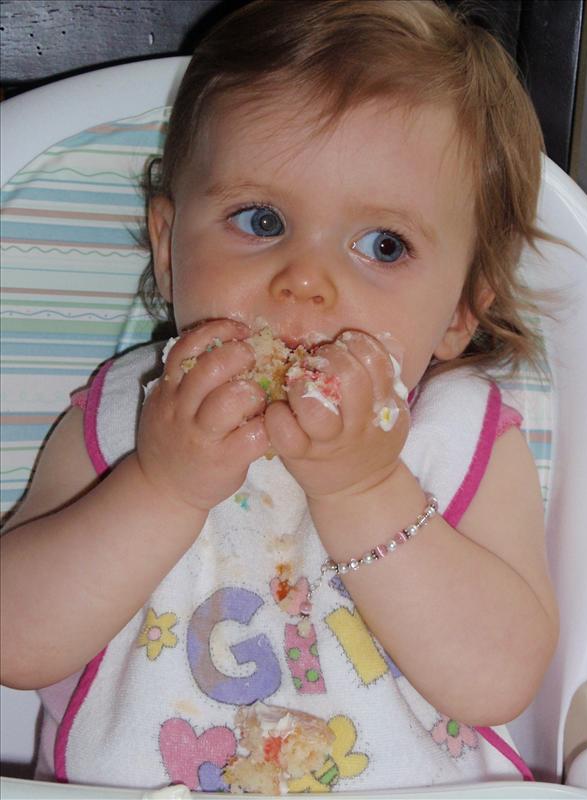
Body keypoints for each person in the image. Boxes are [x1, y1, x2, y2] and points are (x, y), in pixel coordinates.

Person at [1, 0, 559, 793]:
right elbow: (14, 641)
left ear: (460, 312)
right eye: (261, 221)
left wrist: (366, 490)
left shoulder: (461, 437)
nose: (306, 281)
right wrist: (162, 486)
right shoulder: (128, 417)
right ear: (168, 249)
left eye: (384, 245)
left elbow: (500, 681)